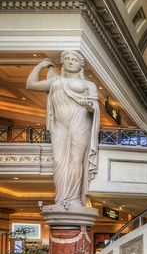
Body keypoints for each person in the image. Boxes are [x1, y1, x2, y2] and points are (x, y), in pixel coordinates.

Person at [25, 51, 100, 207]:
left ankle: (74, 199)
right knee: (59, 161)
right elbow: (30, 84)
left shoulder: (89, 85)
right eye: (67, 59)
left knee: (75, 160)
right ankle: (61, 199)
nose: (70, 61)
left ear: (81, 65)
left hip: (80, 122)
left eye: (74, 59)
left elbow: (94, 107)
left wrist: (90, 107)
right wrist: (40, 65)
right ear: (63, 62)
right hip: (60, 126)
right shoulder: (55, 81)